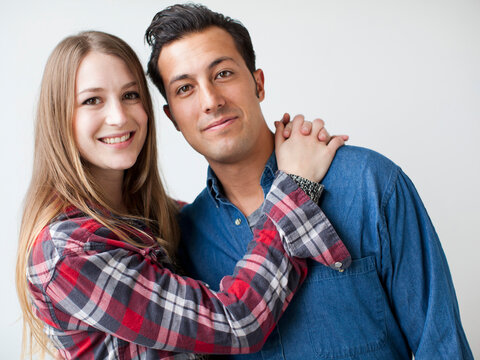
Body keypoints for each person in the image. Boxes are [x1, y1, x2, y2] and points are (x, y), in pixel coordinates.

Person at [145, 3, 473, 359]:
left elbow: (442, 346)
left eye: (223, 73)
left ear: (258, 83)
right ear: (172, 117)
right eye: (184, 89)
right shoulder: (183, 241)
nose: (211, 101)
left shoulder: (369, 184)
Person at [15, 30, 349, 359]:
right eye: (92, 100)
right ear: (61, 118)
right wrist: (295, 186)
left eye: (130, 95)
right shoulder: (70, 251)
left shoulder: (158, 218)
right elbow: (237, 323)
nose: (119, 117)